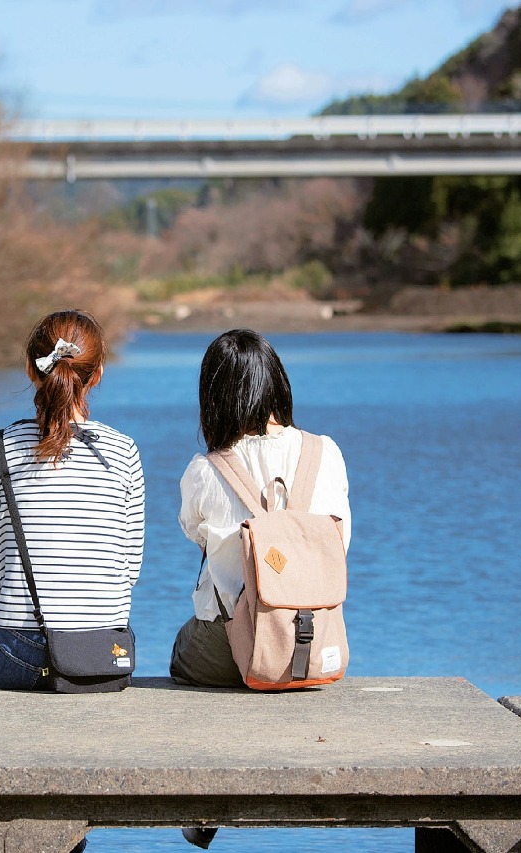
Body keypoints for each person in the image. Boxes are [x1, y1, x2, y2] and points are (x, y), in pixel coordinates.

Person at [169, 328, 351, 850]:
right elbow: (340, 542)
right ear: (278, 385)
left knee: (187, 652)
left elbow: (194, 533)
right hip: (317, 646)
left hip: (231, 650)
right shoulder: (327, 452)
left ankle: (205, 798)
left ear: (215, 396)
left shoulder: (206, 469)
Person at [0, 309, 146, 693]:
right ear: (97, 375)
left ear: (32, 371)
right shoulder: (124, 451)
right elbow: (129, 569)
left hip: (19, 651)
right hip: (103, 652)